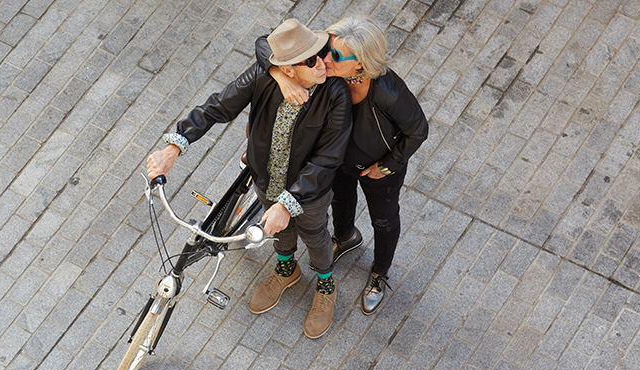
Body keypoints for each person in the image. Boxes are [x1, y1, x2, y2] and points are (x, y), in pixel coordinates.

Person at [146, 19, 351, 339]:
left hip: (309, 192)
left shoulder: (335, 94)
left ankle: (326, 284)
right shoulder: (265, 76)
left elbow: (328, 159)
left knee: (316, 236)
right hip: (266, 178)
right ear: (288, 69)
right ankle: (287, 269)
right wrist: (174, 147)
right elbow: (216, 107)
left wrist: (288, 203)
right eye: (311, 59)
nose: (324, 62)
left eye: (323, 52)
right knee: (279, 236)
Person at [257, 17, 429, 315]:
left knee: (384, 220)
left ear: (360, 65)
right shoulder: (327, 63)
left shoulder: (388, 92)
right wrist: (281, 76)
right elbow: (264, 44)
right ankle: (346, 237)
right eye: (325, 50)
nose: (322, 59)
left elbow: (419, 130)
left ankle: (379, 273)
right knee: (341, 199)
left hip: (375, 169)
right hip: (334, 161)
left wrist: (387, 166)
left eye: (334, 56)